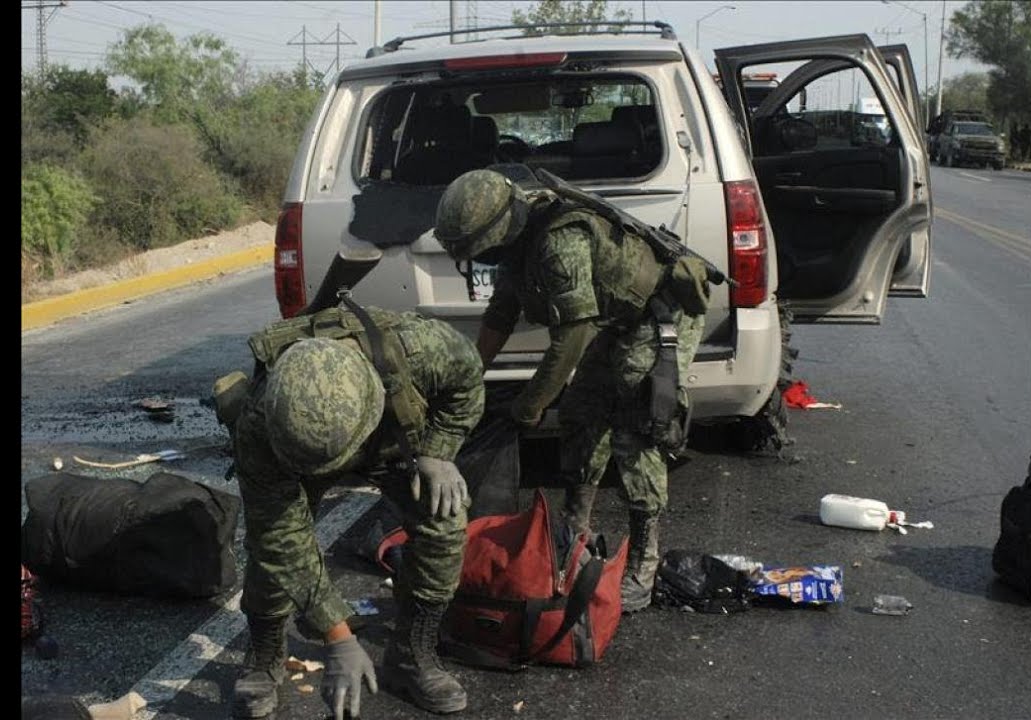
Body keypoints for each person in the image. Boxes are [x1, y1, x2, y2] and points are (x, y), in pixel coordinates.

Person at [432, 168, 707, 613]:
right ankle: (575, 532)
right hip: (618, 321)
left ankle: (644, 561)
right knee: (581, 414)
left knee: (635, 431)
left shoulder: (559, 242)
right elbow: (501, 314)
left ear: (500, 228)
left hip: (658, 317)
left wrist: (531, 404)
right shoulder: (517, 248)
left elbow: (573, 334)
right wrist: (468, 378)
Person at [212, 301, 485, 719]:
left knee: (445, 520)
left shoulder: (420, 351)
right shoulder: (259, 423)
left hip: (391, 442)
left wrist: (437, 452)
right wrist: (338, 637)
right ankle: (265, 653)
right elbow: (282, 541)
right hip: (294, 459)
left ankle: (413, 655)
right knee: (272, 556)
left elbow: (469, 384)